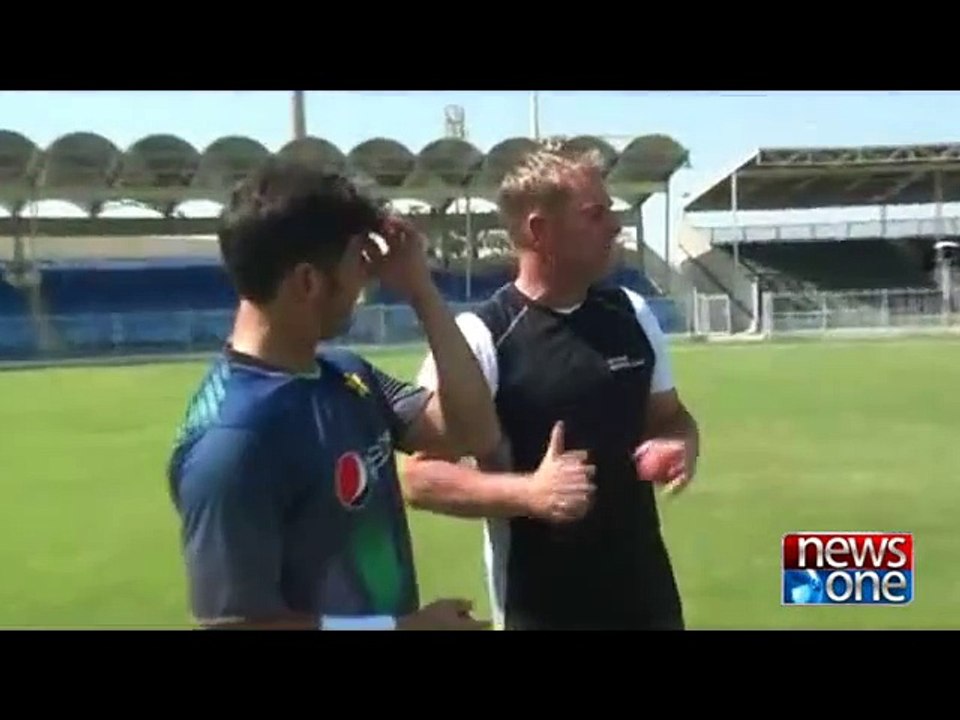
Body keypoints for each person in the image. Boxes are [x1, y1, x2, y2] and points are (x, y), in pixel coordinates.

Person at [166, 159, 501, 630]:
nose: (367, 280)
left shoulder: (346, 374)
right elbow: (234, 625)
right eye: (357, 262)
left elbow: (472, 431)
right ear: (307, 282)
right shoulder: (231, 441)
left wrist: (421, 289)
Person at [406, 148, 700, 631]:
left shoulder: (630, 313)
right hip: (539, 609)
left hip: (649, 603)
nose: (614, 226)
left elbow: (672, 417)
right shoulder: (482, 338)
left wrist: (681, 442)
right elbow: (417, 477)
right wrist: (530, 494)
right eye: (595, 214)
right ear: (539, 231)